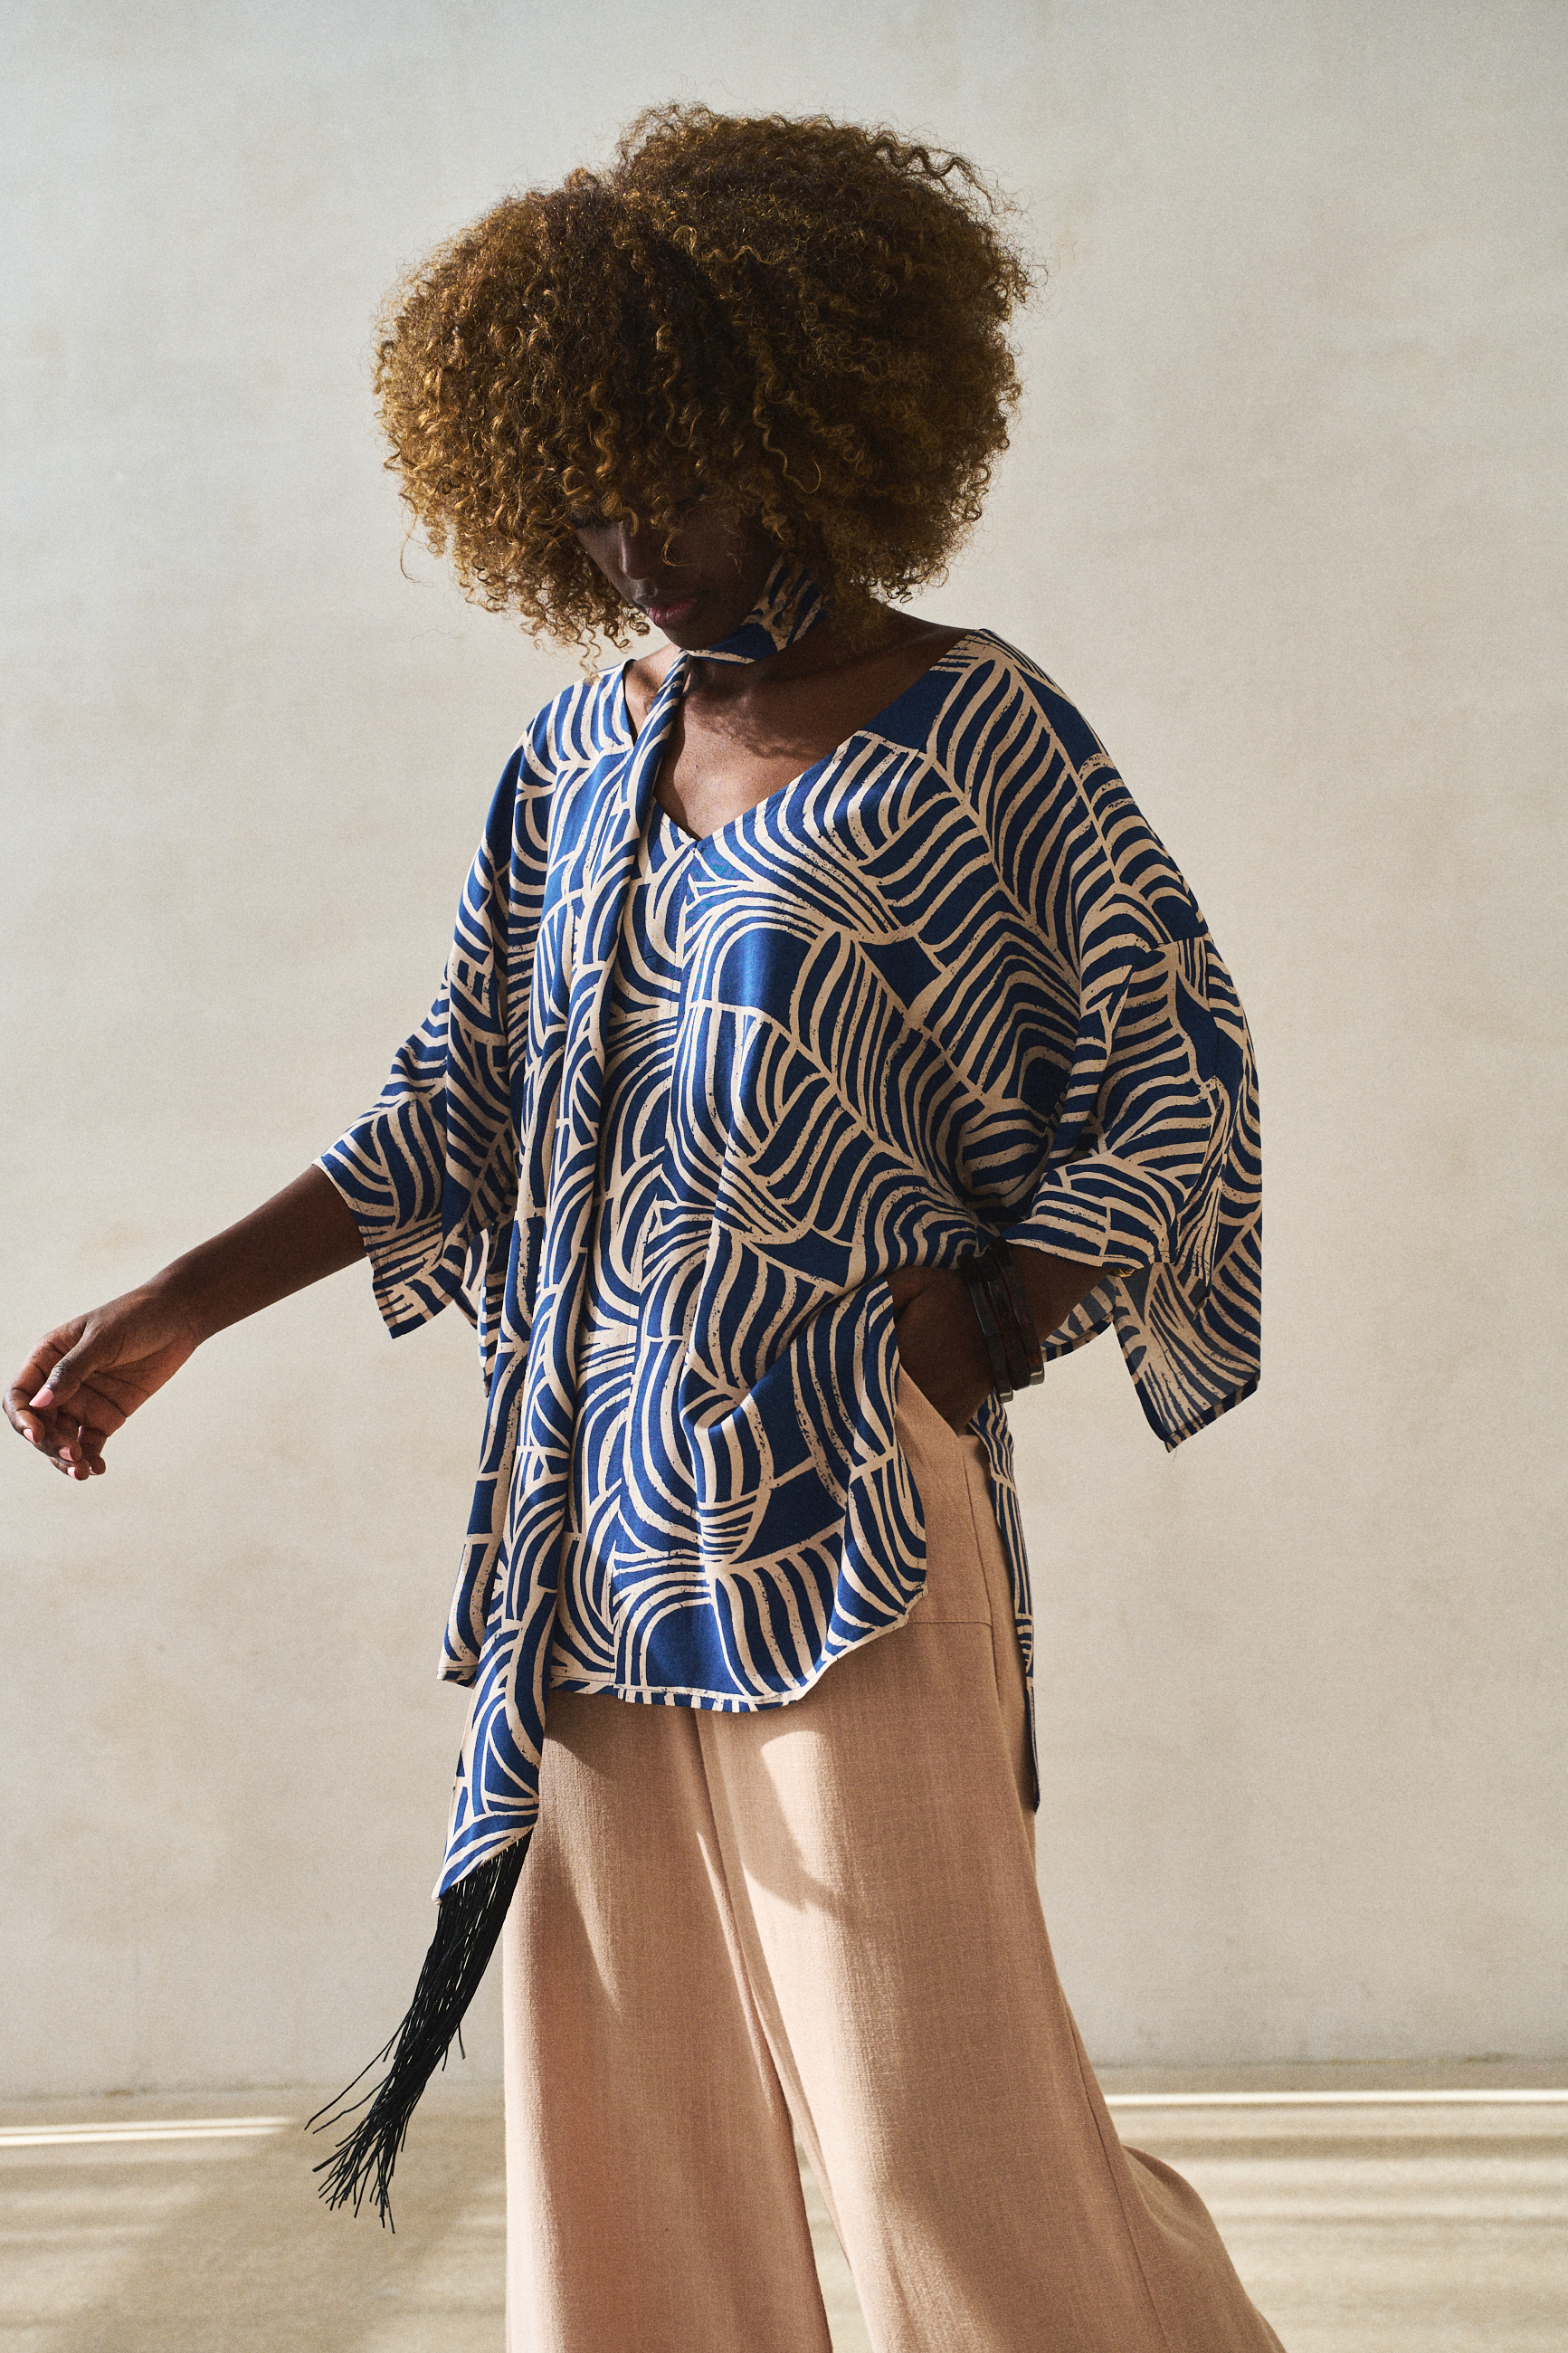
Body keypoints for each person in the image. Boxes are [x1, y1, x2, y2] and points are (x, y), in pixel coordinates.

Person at [7, 105, 1274, 2352]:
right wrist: (175, 1305)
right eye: (589, 500)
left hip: (842, 1510)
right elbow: (456, 1103)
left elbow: (1176, 1066)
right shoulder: (572, 767)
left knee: (934, 2113)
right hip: (583, 1519)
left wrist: (987, 1328)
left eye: (672, 485)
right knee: (629, 2125)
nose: (633, 547)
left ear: (810, 427)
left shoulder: (974, 738)